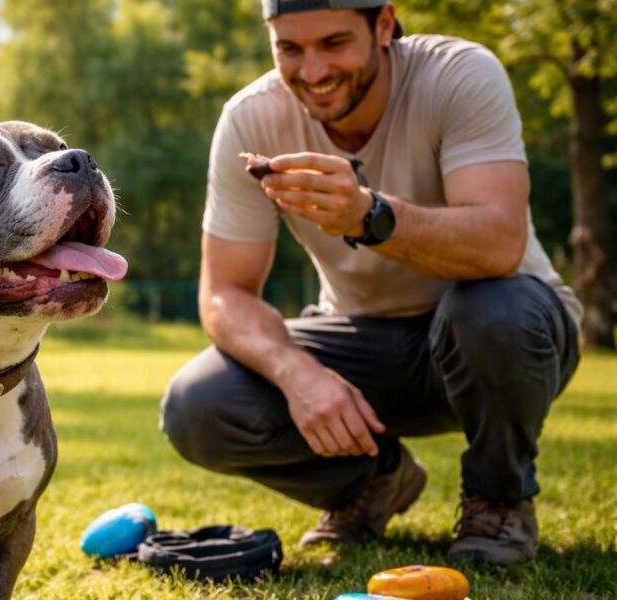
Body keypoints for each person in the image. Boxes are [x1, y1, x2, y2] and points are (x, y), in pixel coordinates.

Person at [159, 0, 582, 565]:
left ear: (384, 25)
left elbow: (500, 244)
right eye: (290, 48)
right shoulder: (251, 116)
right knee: (197, 405)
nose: (312, 72)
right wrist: (297, 373)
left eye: (334, 43)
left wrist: (370, 217)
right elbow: (224, 293)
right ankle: (371, 482)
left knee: (493, 310)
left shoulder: (458, 75)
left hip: (507, 335)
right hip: (361, 343)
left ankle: (497, 500)